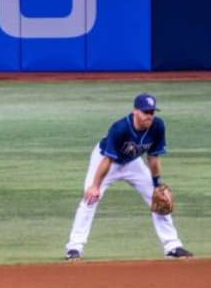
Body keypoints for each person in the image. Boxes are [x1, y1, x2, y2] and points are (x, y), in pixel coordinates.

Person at [65, 93, 192, 261]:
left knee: (158, 198)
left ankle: (172, 246)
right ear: (135, 111)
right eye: (145, 112)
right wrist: (95, 185)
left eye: (152, 112)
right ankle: (74, 247)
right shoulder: (120, 128)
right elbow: (107, 159)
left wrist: (156, 183)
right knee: (90, 199)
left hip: (132, 163)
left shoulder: (158, 126)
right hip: (106, 162)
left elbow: (153, 158)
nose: (149, 116)